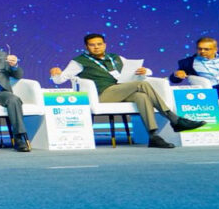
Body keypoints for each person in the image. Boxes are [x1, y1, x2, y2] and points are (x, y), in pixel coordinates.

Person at [50, 33, 205, 148]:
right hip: (102, 95)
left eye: (99, 44)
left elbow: (143, 71)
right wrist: (55, 74)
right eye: (92, 45)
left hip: (122, 90)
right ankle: (175, 119)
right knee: (141, 85)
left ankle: (153, 136)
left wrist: (145, 71)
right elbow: (60, 79)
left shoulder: (116, 58)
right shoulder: (79, 61)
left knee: (142, 97)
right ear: (86, 47)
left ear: (105, 45)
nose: (96, 47)